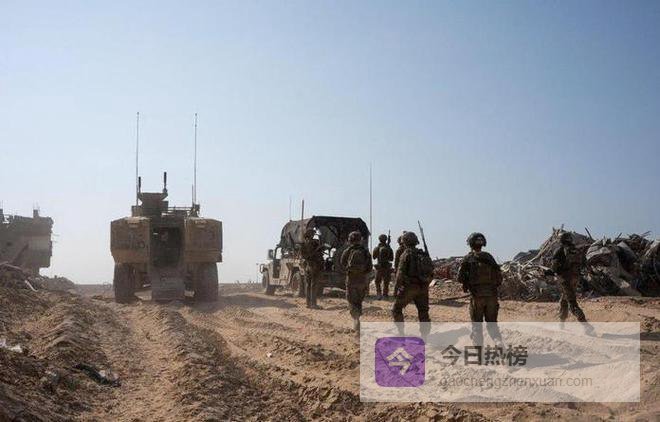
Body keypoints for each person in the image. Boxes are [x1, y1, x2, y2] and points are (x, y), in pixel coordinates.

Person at [457, 232, 502, 344]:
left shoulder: (468, 258)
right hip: (492, 296)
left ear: (470, 244)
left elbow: (459, 278)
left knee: (477, 326)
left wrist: (467, 283)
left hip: (477, 297)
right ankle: (498, 342)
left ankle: (479, 351)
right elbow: (499, 277)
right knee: (492, 325)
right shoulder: (489, 257)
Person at [392, 232, 433, 334]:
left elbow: (400, 274)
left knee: (396, 309)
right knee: (423, 312)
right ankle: (425, 336)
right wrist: (425, 283)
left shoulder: (406, 254)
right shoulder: (423, 254)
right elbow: (431, 272)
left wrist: (396, 290)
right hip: (423, 287)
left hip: (410, 287)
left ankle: (401, 333)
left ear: (405, 242)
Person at [340, 231, 373, 331]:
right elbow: (370, 267)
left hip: (351, 279)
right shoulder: (365, 252)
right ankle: (358, 317)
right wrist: (362, 273)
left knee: (351, 300)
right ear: (360, 240)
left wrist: (349, 271)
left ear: (350, 240)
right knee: (359, 300)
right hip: (362, 280)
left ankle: (356, 319)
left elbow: (342, 263)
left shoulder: (347, 251)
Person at [551, 232, 587, 322]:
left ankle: (584, 322)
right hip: (575, 278)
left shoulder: (559, 250)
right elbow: (583, 263)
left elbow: (554, 267)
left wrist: (552, 272)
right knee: (564, 299)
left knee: (572, 302)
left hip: (565, 279)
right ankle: (562, 321)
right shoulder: (576, 250)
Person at [300, 228, 324, 309]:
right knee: (313, 285)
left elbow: (303, 256)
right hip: (314, 266)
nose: (313, 235)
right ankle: (313, 304)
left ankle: (308, 304)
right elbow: (317, 254)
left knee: (308, 285)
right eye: (313, 234)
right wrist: (318, 250)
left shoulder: (303, 244)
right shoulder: (314, 243)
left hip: (307, 266)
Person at [372, 234, 394, 299]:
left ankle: (379, 293)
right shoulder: (389, 248)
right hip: (387, 267)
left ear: (379, 240)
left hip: (379, 267)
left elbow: (374, 257)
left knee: (377, 281)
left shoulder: (377, 248)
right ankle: (385, 294)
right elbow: (391, 259)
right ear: (386, 239)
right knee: (386, 282)